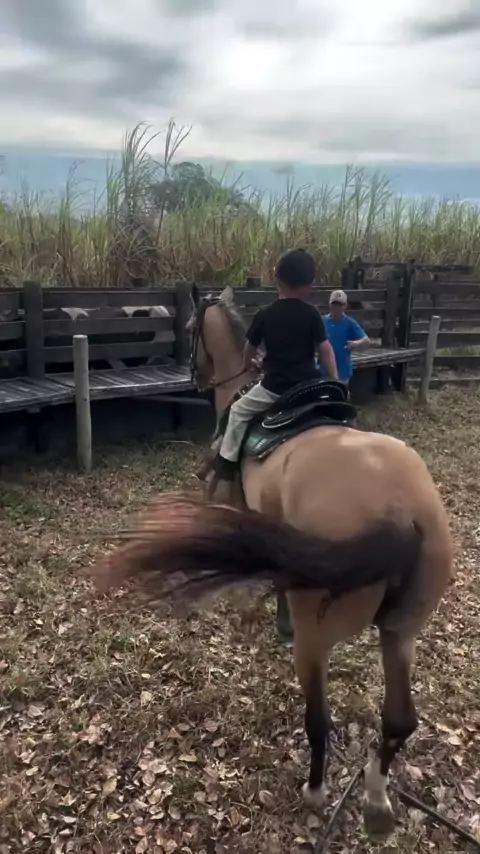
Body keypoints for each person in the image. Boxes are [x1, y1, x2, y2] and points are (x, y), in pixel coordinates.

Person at [213, 249, 338, 497]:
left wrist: (248, 364)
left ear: (277, 280)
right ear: (309, 285)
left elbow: (250, 348)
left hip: (275, 388)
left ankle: (226, 465)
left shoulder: (265, 314)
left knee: (238, 411)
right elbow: (325, 350)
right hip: (309, 387)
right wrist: (334, 380)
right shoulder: (312, 313)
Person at [321, 289, 371, 385]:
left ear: (345, 306)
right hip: (324, 369)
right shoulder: (323, 321)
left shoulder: (349, 323)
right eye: (334, 304)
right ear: (329, 305)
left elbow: (366, 340)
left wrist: (356, 343)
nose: (337, 308)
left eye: (340, 305)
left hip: (342, 370)